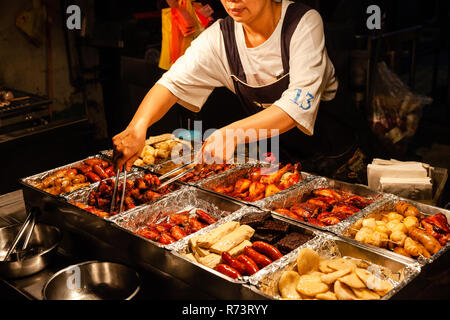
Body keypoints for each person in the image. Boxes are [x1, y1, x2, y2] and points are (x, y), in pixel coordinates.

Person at [113, 0, 357, 177]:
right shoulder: (221, 37)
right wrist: (138, 127)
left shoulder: (303, 23)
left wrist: (230, 134)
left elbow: (295, 107)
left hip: (338, 160)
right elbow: (171, 83)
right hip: (283, 163)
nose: (232, 0)